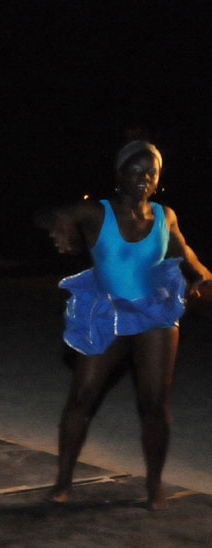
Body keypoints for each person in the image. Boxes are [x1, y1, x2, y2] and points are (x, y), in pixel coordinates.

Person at [36, 140, 212, 510]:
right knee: (82, 395)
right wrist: (61, 230)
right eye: (135, 170)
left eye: (151, 172)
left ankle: (153, 485)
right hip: (106, 311)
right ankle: (63, 480)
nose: (143, 178)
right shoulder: (97, 212)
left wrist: (199, 271)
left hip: (154, 314)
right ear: (119, 174)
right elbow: (50, 215)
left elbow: (182, 249)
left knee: (154, 402)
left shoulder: (166, 216)